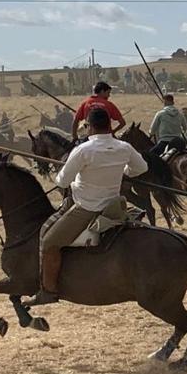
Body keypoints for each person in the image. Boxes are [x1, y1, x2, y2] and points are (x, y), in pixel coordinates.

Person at [25, 108, 148, 306]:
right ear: (109, 125)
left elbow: (63, 182)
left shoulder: (83, 150)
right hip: (114, 204)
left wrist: (62, 172)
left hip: (87, 208)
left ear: (89, 127)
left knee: (49, 243)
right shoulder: (124, 147)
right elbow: (142, 168)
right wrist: (123, 170)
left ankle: (48, 291)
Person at [148, 94, 187, 159]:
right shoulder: (180, 114)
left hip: (164, 142)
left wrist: (151, 133)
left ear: (165, 102)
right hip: (178, 142)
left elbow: (152, 131)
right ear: (173, 102)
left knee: (149, 156)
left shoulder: (160, 114)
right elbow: (185, 128)